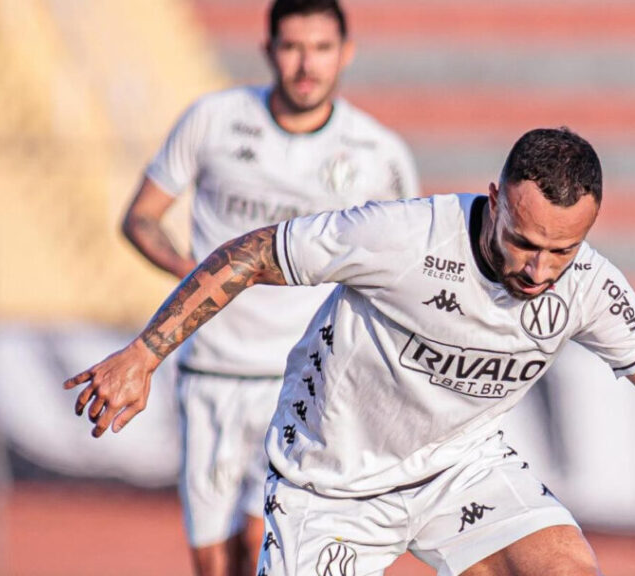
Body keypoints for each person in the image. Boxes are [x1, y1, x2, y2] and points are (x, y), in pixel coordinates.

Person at [70, 127, 635, 576]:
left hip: (458, 470)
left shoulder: (587, 284)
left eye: (562, 250)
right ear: (495, 201)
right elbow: (252, 254)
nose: (540, 270)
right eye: (524, 243)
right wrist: (144, 354)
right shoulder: (400, 237)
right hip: (328, 488)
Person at [118, 0, 419, 574]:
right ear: (269, 50)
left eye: (321, 48)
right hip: (211, 372)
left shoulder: (378, 154)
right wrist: (194, 274)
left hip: (304, 378)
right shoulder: (214, 120)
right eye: (292, 47)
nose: (307, 64)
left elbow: (401, 268)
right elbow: (141, 218)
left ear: (345, 53)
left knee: (268, 545)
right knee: (213, 560)